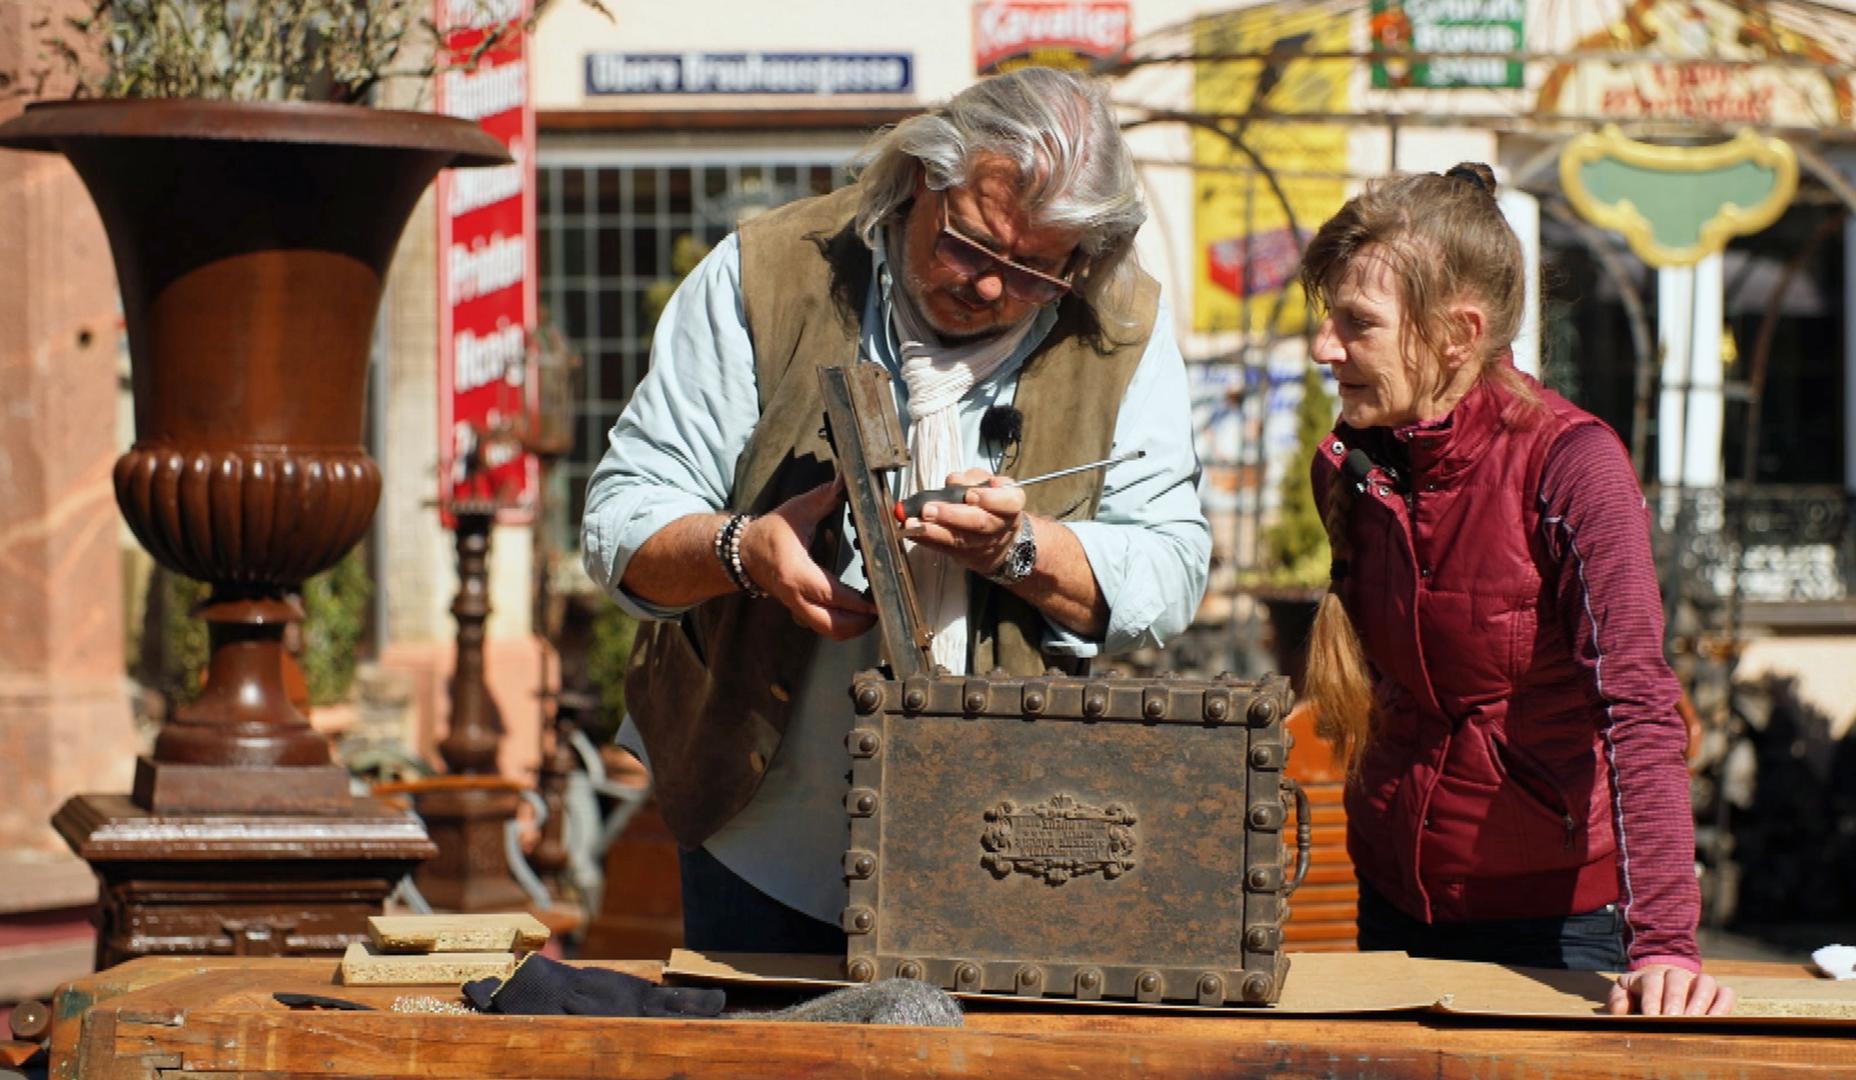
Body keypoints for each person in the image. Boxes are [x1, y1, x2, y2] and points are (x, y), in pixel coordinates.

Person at [581, 67, 1211, 954]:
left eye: (1034, 272)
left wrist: (1023, 550)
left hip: (1012, 843)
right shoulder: (769, 271)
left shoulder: (1120, 323)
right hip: (760, 833)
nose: (989, 289)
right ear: (919, 180)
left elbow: (1172, 568)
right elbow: (620, 520)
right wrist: (744, 550)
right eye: (970, 247)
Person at [1298, 162, 1733, 1016]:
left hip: (1557, 927)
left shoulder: (1572, 467)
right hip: (1393, 898)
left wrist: (1665, 947)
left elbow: (1638, 705)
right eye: (1327, 317)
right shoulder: (1352, 468)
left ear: (1457, 334)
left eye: (1358, 323)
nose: (1324, 347)